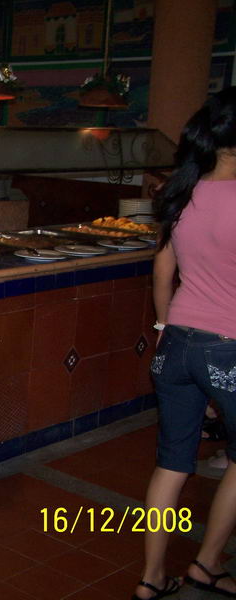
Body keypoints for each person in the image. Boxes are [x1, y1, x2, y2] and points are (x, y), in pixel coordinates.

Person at [133, 87, 236, 600]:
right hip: (229, 347)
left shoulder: (182, 192)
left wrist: (162, 328)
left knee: (172, 462)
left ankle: (151, 577)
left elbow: (163, 271)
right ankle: (206, 564)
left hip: (176, 344)